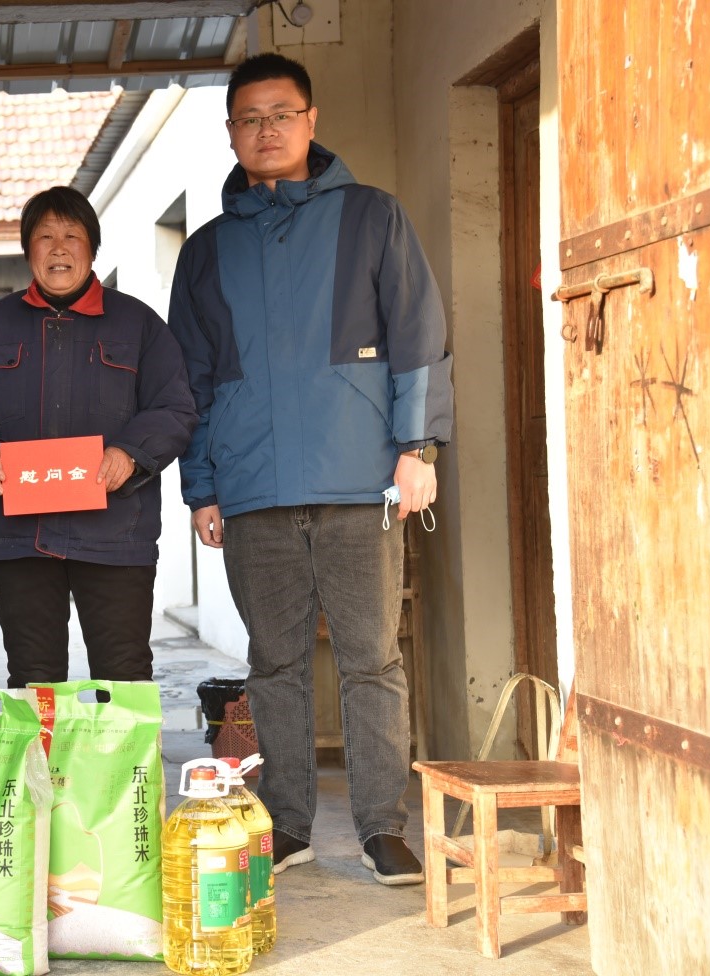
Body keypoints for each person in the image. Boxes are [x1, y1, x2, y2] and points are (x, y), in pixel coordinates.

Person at [168, 53, 454, 886]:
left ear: (311, 120)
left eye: (281, 114)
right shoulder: (207, 250)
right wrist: (201, 487)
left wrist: (417, 448)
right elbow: (191, 379)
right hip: (253, 490)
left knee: (372, 659)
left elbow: (418, 336)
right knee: (274, 666)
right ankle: (287, 824)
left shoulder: (373, 217)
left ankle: (381, 828)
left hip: (359, 484)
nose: (267, 130)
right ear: (231, 132)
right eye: (250, 118)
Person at [0, 187, 197, 687]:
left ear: (92, 248)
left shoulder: (137, 324)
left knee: (122, 680)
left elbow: (174, 406)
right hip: (21, 539)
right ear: (28, 249)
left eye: (71, 236)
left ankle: (123, 747)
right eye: (45, 237)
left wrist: (130, 453)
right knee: (33, 681)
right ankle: (42, 746)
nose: (58, 249)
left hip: (115, 536)